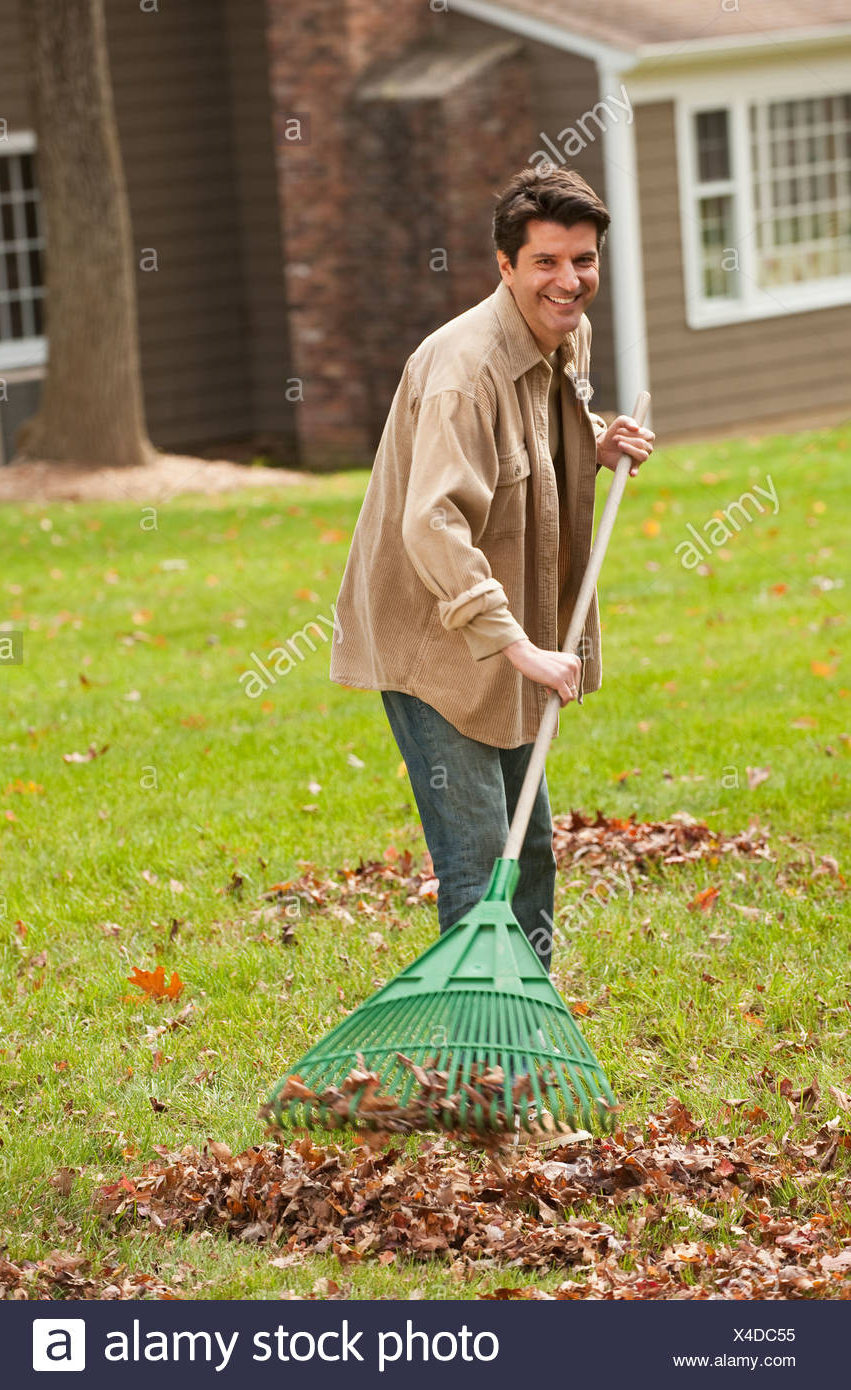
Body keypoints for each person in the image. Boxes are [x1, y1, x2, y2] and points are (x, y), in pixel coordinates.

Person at [330, 165, 655, 972]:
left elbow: (531, 456)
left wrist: (597, 445)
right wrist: (520, 650)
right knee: (480, 866)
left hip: (513, 629)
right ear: (505, 267)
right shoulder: (463, 375)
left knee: (531, 849)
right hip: (437, 641)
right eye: (546, 261)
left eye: (583, 259)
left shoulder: (563, 334)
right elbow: (433, 523)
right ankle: (476, 1066)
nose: (568, 280)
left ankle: (524, 1017)